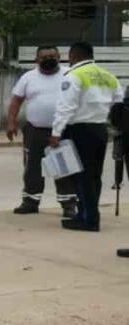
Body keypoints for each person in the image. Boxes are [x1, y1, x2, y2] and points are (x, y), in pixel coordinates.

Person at [49, 41, 123, 232]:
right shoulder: (108, 75)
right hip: (100, 130)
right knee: (94, 176)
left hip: (79, 130)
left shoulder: (74, 75)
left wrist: (56, 132)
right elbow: (118, 102)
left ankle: (88, 219)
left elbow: (66, 107)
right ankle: (88, 214)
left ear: (73, 55)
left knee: (81, 177)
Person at [6, 46, 77, 218]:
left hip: (62, 131)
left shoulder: (70, 75)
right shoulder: (28, 77)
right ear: (37, 60)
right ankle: (30, 202)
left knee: (63, 168)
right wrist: (11, 122)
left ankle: (68, 205)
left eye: (52, 56)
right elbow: (16, 100)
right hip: (35, 130)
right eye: (44, 57)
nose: (48, 59)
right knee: (32, 168)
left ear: (60, 57)